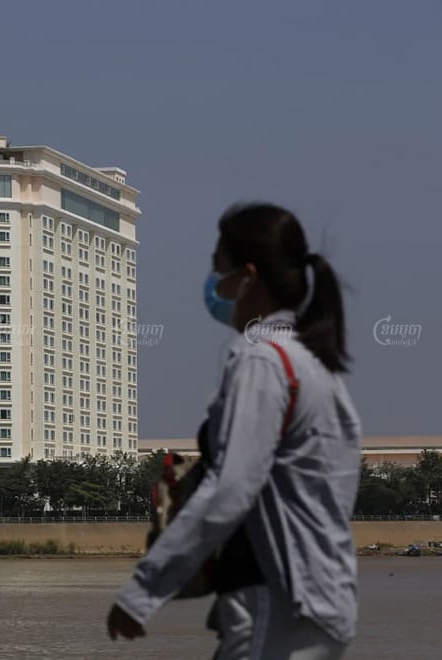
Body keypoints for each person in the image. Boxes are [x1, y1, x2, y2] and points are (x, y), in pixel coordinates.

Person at [107, 203, 362, 659]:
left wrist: (143, 592)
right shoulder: (314, 364)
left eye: (217, 271)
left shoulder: (263, 360)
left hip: (275, 600)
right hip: (321, 600)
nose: (213, 286)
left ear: (248, 276)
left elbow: (231, 488)